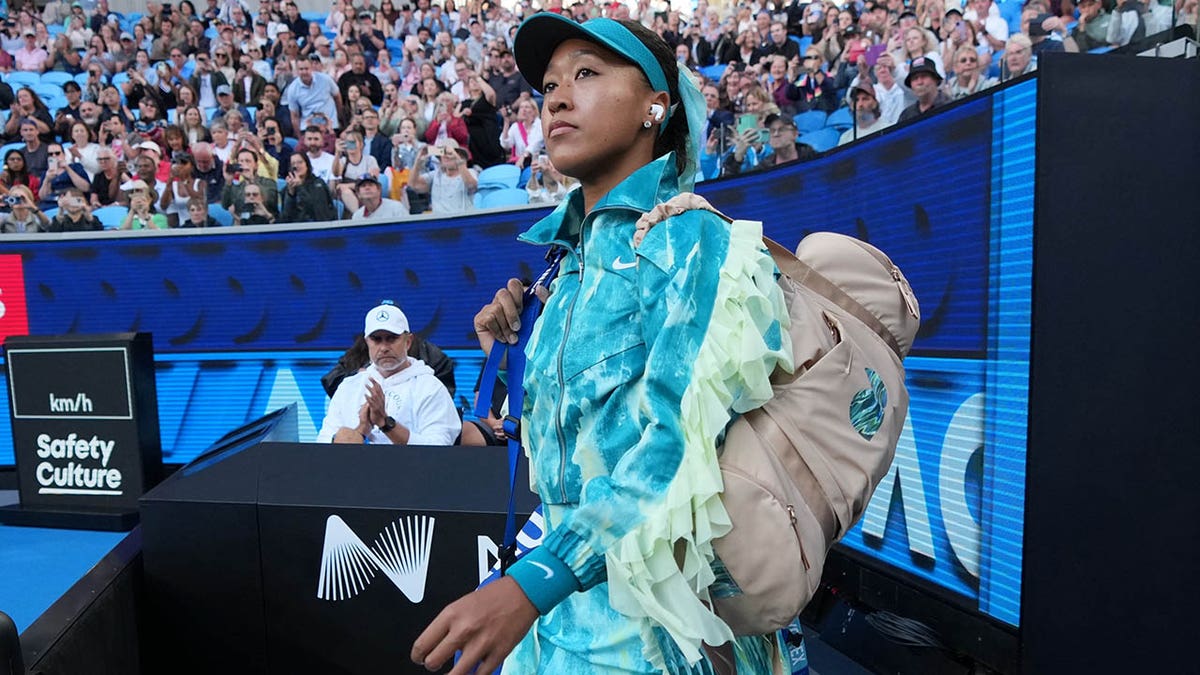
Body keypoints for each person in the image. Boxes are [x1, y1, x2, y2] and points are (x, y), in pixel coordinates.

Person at [413, 14, 791, 675]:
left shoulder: (695, 243)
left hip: (658, 638)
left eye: (587, 73)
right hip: (553, 627)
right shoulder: (563, 269)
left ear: (657, 104)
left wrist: (529, 586)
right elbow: (572, 452)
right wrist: (502, 356)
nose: (556, 95)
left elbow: (674, 449)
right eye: (550, 83)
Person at [315, 302, 460, 446]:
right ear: (367, 343)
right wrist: (359, 431)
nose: (384, 347)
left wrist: (386, 423)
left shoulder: (430, 388)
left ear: (408, 341)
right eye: (376, 339)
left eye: (392, 338)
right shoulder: (349, 387)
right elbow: (322, 444)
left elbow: (439, 450)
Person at [407, 139, 477, 215]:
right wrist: (418, 162)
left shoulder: (470, 172)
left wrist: (456, 157)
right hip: (440, 223)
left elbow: (471, 185)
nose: (446, 156)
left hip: (462, 221)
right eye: (443, 153)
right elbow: (413, 185)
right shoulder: (436, 175)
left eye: (449, 154)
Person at [281, 152, 337, 223]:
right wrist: (291, 194)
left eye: (300, 162)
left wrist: (300, 186)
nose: (296, 166)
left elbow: (315, 210)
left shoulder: (318, 184)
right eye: (293, 164)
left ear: (307, 164)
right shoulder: (287, 189)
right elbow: (285, 217)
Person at [839, 81, 894, 145]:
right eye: (856, 100)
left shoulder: (889, 129)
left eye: (865, 99)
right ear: (851, 106)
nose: (860, 104)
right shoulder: (846, 138)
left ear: (875, 103)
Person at [898, 57, 951, 122]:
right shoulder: (906, 115)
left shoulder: (950, 107)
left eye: (924, 76)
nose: (919, 82)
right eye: (915, 78)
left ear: (936, 80)